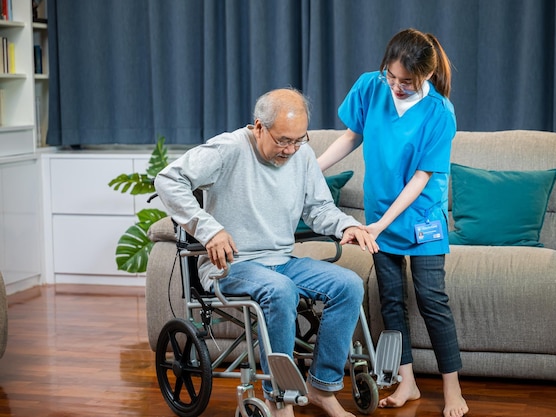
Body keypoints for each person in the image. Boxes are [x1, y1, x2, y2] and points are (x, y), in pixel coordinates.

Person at [154, 88, 379, 417]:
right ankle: (280, 398)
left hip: (281, 262)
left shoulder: (300, 155)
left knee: (348, 285)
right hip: (232, 265)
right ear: (259, 127)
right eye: (283, 141)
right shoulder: (228, 149)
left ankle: (321, 387)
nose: (291, 150)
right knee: (280, 289)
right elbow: (168, 179)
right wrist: (209, 229)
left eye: (298, 140)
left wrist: (347, 227)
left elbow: (319, 208)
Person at [317, 29, 469, 417]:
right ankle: (408, 383)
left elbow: (421, 179)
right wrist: (312, 170)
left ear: (426, 77)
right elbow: (351, 136)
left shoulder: (439, 112)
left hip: (419, 218)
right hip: (377, 217)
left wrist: (379, 226)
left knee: (433, 301)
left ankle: (453, 391)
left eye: (407, 82)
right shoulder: (371, 86)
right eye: (392, 77)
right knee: (390, 302)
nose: (397, 87)